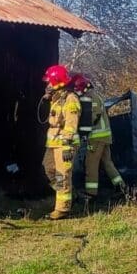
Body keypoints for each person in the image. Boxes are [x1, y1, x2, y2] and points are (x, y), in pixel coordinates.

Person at [70, 73, 125, 200]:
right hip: (105, 136)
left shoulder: (89, 98)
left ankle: (91, 193)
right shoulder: (96, 96)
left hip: (96, 137)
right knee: (107, 162)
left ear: (83, 87)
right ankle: (120, 186)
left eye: (77, 89)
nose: (76, 92)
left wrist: (78, 126)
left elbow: (91, 118)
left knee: (91, 164)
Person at [42, 65, 81, 219]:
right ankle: (70, 194)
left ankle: (62, 209)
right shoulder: (57, 97)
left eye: (50, 82)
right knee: (49, 169)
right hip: (53, 143)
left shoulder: (71, 99)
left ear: (58, 82)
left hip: (65, 144)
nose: (48, 85)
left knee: (62, 175)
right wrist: (48, 97)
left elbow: (71, 124)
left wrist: (66, 145)